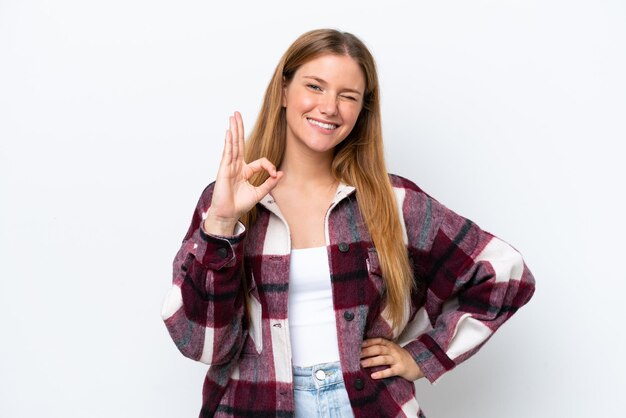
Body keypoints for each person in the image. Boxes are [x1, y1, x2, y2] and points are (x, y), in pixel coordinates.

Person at [161, 28, 535, 418]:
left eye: (348, 96)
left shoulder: (391, 202)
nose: (329, 107)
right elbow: (201, 345)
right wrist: (222, 223)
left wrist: (420, 357)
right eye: (315, 87)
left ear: (361, 110)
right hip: (253, 405)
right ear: (284, 91)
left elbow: (504, 273)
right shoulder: (227, 204)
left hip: (366, 405)